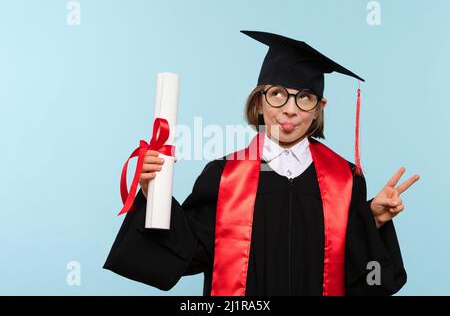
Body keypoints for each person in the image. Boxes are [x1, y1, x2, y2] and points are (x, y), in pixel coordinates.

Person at [103, 30, 420, 296]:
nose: (290, 109)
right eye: (278, 94)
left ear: (319, 107)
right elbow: (192, 250)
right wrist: (151, 194)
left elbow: (355, 271)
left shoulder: (345, 178)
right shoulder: (225, 175)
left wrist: (372, 220)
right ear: (258, 101)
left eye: (304, 97)